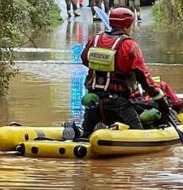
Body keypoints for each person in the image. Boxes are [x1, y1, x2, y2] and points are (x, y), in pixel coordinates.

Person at [66, 8, 166, 139]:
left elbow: (85, 59)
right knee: (139, 133)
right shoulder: (129, 45)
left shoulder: (95, 40)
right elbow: (142, 75)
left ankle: (78, 134)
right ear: (127, 25)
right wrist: (157, 96)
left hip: (93, 101)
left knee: (86, 135)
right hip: (118, 103)